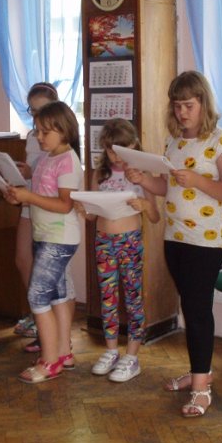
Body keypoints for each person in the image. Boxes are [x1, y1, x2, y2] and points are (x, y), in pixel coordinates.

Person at [127, 71, 222, 417]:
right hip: (174, 238)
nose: (182, 112)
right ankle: (198, 372)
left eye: (188, 105)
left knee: (198, 309)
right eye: (177, 106)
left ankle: (202, 388)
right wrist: (144, 178)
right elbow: (166, 187)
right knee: (191, 308)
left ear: (203, 103)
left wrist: (199, 181)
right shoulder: (173, 143)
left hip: (206, 242)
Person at [4, 101, 83, 383]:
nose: (38, 137)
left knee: (37, 296)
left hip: (59, 239)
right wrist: (19, 197)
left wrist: (28, 197)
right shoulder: (48, 158)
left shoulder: (68, 161)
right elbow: (41, 196)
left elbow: (64, 205)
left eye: (45, 132)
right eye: (37, 130)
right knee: (57, 296)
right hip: (45, 235)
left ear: (64, 131)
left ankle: (49, 361)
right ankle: (63, 353)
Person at [81, 118, 159, 383]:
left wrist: (144, 205)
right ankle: (112, 350)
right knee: (108, 297)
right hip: (103, 241)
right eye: (111, 150)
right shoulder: (99, 174)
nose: (116, 156)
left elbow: (155, 216)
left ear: (134, 145)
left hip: (130, 241)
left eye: (122, 149)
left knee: (133, 297)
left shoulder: (141, 175)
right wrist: (82, 207)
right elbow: (91, 215)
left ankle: (132, 356)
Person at [12, 82, 60, 352]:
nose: (36, 115)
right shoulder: (32, 135)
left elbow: (57, 174)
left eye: (41, 109)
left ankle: (49, 330)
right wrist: (19, 175)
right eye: (32, 110)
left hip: (47, 205)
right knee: (23, 260)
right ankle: (37, 314)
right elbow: (32, 166)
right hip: (28, 201)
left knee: (47, 270)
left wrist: (34, 173)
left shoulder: (60, 135)